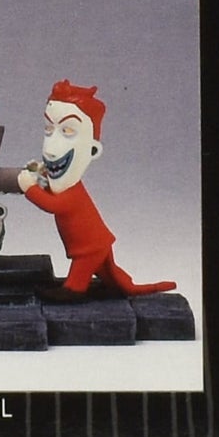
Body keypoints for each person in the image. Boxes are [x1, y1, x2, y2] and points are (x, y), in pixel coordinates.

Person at [16, 81, 175, 299]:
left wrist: (30, 188)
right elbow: (55, 196)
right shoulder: (68, 188)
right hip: (94, 244)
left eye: (67, 130)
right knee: (112, 277)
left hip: (90, 247)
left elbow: (53, 205)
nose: (51, 148)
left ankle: (72, 291)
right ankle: (124, 286)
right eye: (48, 129)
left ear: (93, 150)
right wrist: (43, 180)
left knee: (78, 281)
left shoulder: (73, 193)